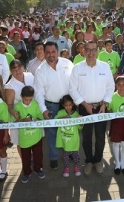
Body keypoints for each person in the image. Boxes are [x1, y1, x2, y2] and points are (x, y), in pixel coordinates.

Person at [69, 40, 115, 176]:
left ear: (97, 51)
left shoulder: (105, 67)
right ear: (83, 51)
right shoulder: (77, 68)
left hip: (101, 107)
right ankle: (89, 161)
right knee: (87, 136)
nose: (91, 53)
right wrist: (84, 104)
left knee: (101, 136)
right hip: (84, 108)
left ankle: (98, 160)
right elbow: (72, 89)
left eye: (93, 50)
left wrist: (105, 104)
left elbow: (111, 86)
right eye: (88, 50)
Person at [35, 41, 74, 170]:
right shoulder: (40, 71)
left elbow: (75, 83)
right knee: (52, 133)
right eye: (48, 52)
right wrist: (43, 110)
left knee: (69, 131)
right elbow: (39, 93)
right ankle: (53, 157)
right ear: (44, 53)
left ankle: (69, 152)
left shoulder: (68, 64)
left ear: (57, 51)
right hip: (51, 106)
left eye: (53, 52)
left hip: (68, 105)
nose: (51, 55)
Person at [14, 86, 45, 183]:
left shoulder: (35, 104)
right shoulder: (17, 106)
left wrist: (38, 119)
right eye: (25, 99)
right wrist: (23, 120)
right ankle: (26, 172)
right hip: (24, 138)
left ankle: (38, 169)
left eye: (30, 100)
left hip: (36, 136)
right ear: (21, 97)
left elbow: (41, 117)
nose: (28, 102)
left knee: (38, 155)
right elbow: (15, 121)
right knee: (25, 157)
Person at [5, 60, 34, 158]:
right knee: (20, 141)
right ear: (11, 71)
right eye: (14, 69)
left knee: (34, 138)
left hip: (33, 114)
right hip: (19, 118)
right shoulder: (9, 85)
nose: (17, 71)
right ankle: (24, 161)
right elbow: (9, 105)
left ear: (23, 67)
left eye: (19, 68)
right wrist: (15, 113)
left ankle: (34, 160)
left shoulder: (30, 76)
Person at [55, 95, 83, 177]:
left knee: (75, 154)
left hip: (74, 139)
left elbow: (80, 127)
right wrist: (63, 118)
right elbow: (55, 121)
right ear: (63, 105)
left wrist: (80, 121)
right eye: (66, 105)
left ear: (73, 104)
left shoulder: (76, 114)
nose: (68, 107)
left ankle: (76, 166)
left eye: (70, 105)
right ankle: (66, 167)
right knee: (65, 153)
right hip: (64, 138)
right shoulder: (61, 113)